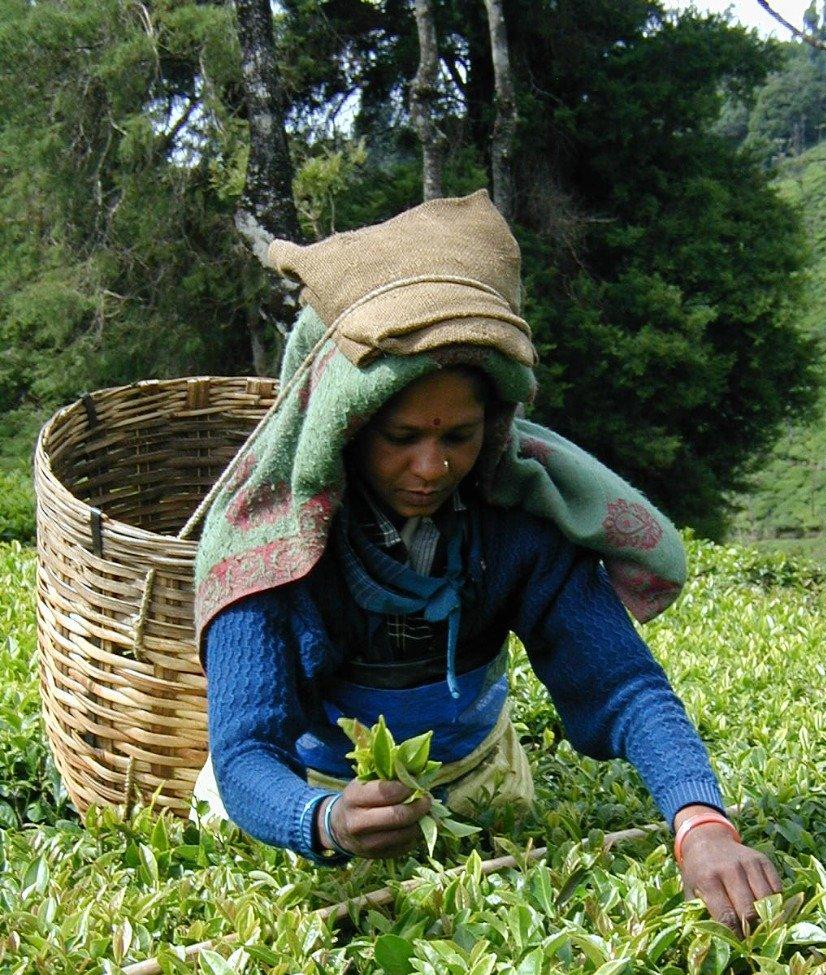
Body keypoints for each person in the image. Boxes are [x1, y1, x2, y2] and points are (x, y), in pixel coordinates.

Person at [192, 189, 781, 933]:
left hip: (474, 779)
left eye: (458, 436)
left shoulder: (516, 532)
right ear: (344, 426)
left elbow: (623, 684)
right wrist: (322, 819)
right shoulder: (269, 546)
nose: (431, 466)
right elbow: (244, 750)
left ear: (494, 425)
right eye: (400, 436)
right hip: (301, 792)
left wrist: (701, 822)